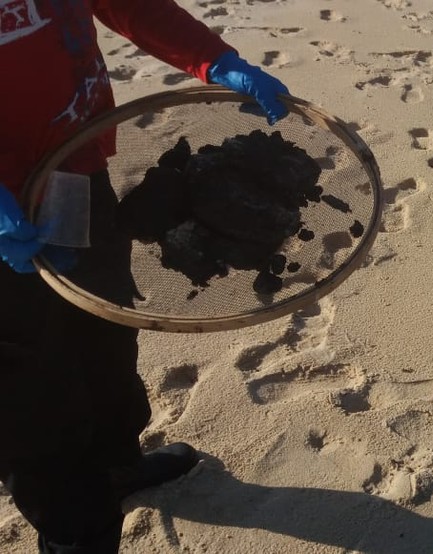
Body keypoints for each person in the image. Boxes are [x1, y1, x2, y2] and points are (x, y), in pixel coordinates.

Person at [0, 0, 289, 551]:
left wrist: (214, 59)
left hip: (73, 170)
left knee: (106, 335)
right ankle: (75, 533)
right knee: (30, 402)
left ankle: (115, 464)